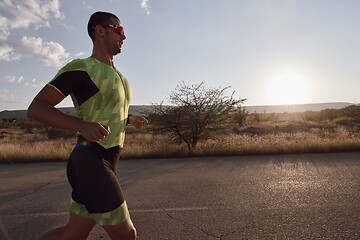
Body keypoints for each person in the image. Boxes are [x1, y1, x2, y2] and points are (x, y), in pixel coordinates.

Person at [27, 11, 147, 240]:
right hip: (90, 160)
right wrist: (81, 125)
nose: (124, 36)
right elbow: (37, 108)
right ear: (100, 31)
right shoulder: (82, 68)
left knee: (72, 234)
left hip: (108, 161)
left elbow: (106, 108)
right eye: (119, 30)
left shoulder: (120, 77)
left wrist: (129, 118)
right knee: (127, 234)